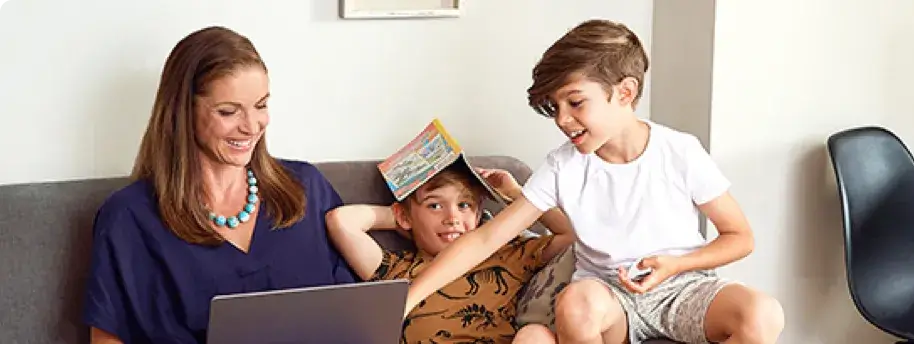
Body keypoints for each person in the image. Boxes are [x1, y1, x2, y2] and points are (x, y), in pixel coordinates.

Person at [400, 19, 786, 344]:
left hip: (683, 286)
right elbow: (484, 239)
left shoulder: (679, 150)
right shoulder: (562, 167)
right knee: (576, 303)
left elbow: (739, 237)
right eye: (555, 107)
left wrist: (675, 264)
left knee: (763, 314)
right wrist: (407, 299)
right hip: (606, 296)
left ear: (625, 92)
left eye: (576, 102)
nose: (562, 119)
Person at [82, 26, 357, 344]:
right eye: (229, 111)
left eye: (261, 105)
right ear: (183, 111)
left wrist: (400, 215)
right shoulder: (129, 218)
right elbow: (106, 338)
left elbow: (360, 307)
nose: (252, 126)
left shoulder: (306, 188)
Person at [326, 165, 575, 344]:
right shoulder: (395, 269)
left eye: (464, 205)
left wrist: (516, 194)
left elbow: (574, 238)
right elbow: (341, 221)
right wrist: (404, 218)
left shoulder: (509, 252)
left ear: (478, 215)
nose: (453, 218)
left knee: (535, 337)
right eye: (435, 206)